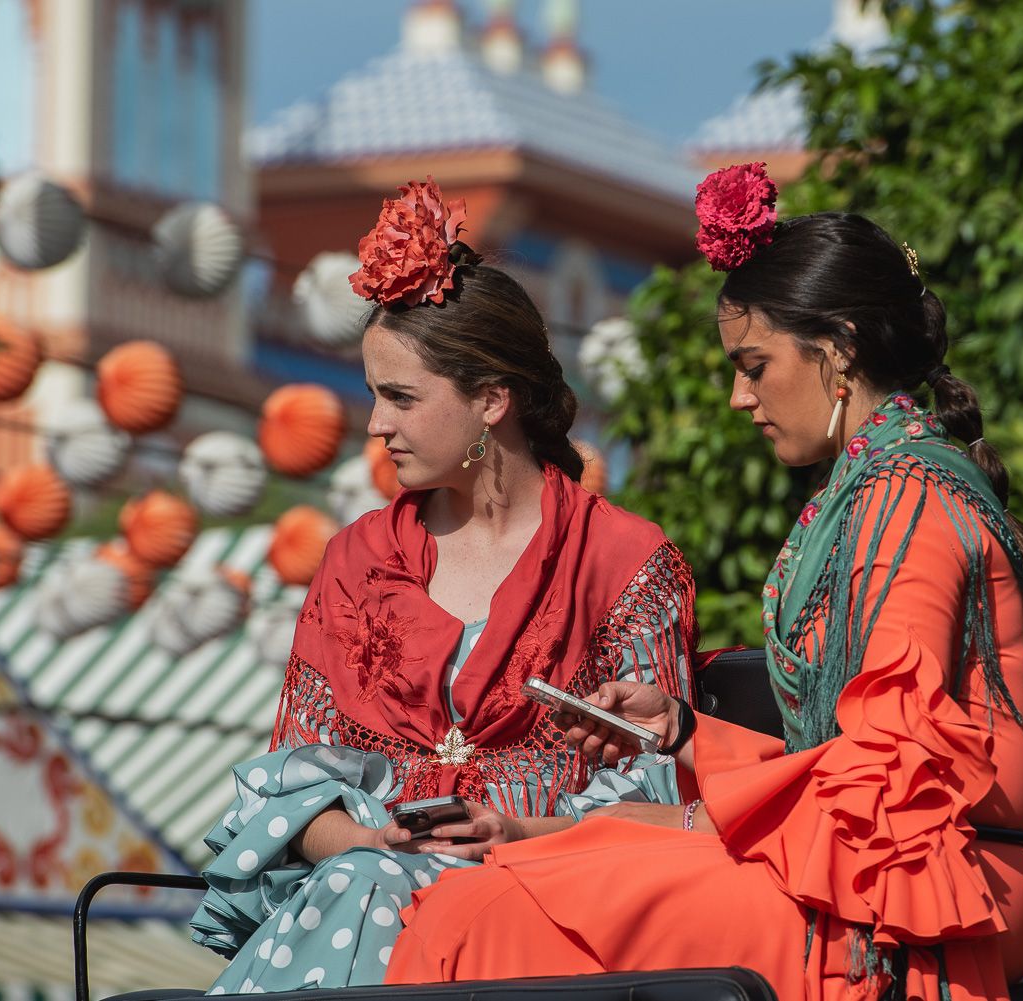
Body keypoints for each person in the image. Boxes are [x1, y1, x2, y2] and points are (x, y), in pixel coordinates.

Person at [382, 164, 1023, 1001]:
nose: (740, 396)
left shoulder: (910, 499)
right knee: (498, 877)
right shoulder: (871, 489)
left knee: (487, 910)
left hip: (917, 896)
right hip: (858, 857)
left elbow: (890, 778)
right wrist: (681, 732)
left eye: (754, 363)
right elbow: (848, 770)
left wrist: (690, 791)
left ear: (841, 347)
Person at [189, 178, 697, 993]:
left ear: (492, 399)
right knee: (368, 887)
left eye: (401, 397)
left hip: (550, 923)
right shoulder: (357, 560)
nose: (373, 425)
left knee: (372, 895)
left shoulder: (623, 564)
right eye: (373, 395)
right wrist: (365, 844)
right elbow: (294, 789)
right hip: (360, 899)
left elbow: (653, 809)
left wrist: (499, 837)